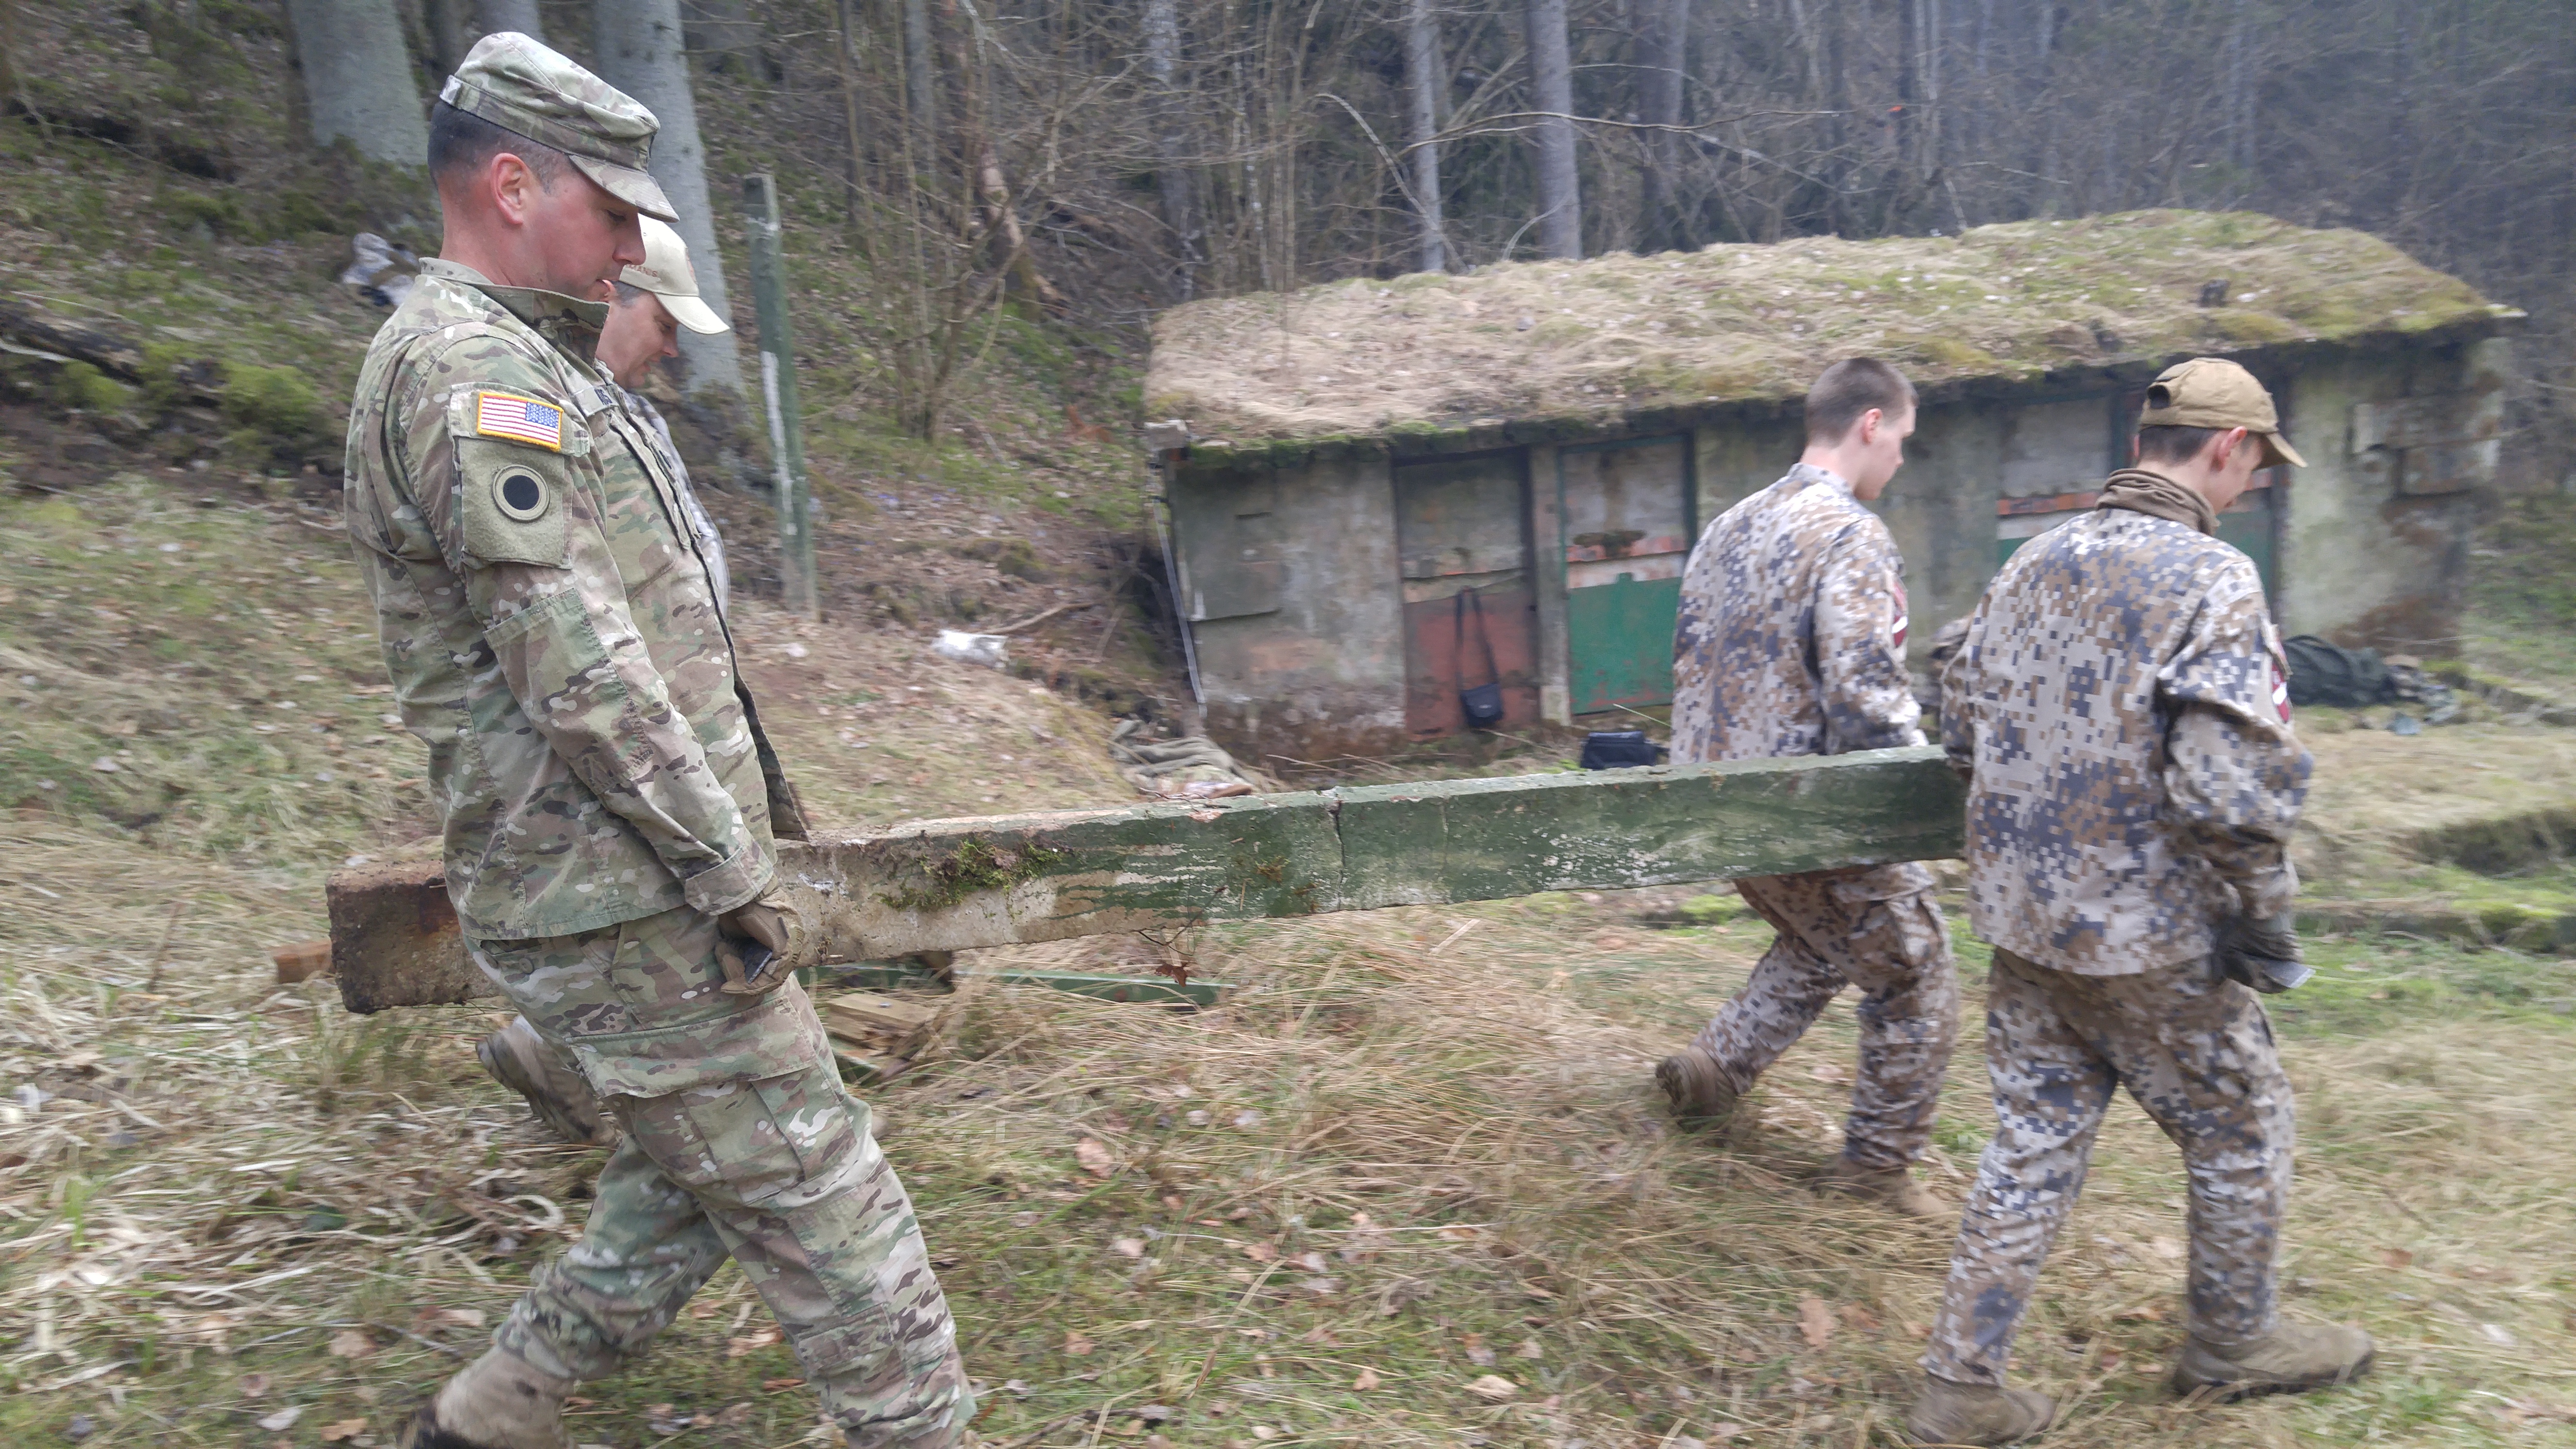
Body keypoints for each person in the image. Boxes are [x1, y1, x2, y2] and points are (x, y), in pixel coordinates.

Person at [344, 32, 972, 1449]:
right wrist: (725, 869)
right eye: (614, 209)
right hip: (626, 887)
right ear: (512, 183)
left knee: (697, 1175)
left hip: (623, 878)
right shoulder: (466, 373)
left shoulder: (520, 366)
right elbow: (580, 668)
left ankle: (494, 1410)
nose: (632, 242)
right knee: (832, 1200)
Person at [1905, 358, 2372, 1445]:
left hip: (2023, 926)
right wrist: (2262, 918)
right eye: (2255, 461)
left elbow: (1960, 724)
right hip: (2149, 936)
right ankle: (2232, 1340)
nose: (2251, 483)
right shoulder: (2213, 580)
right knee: (2242, 1122)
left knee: (2030, 1139)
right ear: (2226, 448)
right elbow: (2227, 792)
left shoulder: (2030, 561)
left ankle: (1960, 1385)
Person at [1656, 357, 1960, 1219]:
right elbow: (1863, 691)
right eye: (1901, 439)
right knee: (1918, 969)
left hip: (1718, 809)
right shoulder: (1849, 534)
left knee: (1825, 942)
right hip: (1813, 811)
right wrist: (1922, 789)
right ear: (1870, 424)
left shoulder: (1727, 527)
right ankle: (1876, 1171)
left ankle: (1712, 1071)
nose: (1901, 458)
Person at [474, 215, 741, 1151]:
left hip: (696, 713)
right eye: (663, 323)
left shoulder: (631, 410)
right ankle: (582, 1070)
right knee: (680, 923)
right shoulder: (550, 412)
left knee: (697, 922)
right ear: (611, 299)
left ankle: (567, 1064)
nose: (671, 348)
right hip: (642, 724)